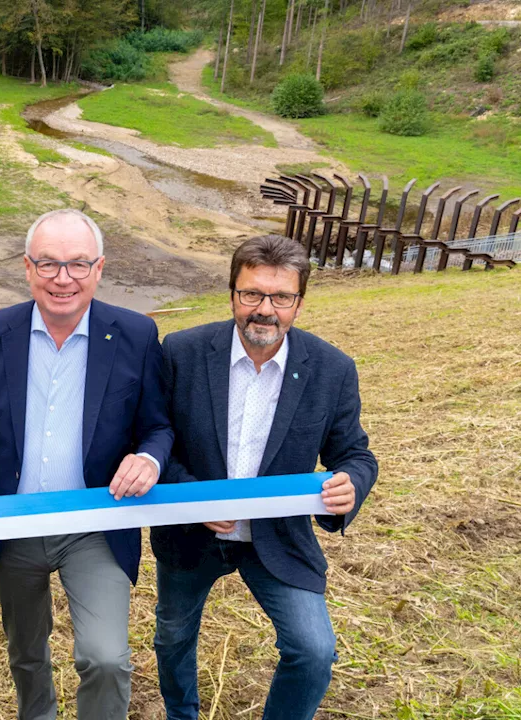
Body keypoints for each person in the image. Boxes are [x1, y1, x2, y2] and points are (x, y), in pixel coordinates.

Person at [0, 209, 173, 720]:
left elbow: (158, 425)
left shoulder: (137, 334)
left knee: (105, 657)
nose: (63, 278)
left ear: (99, 269)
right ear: (27, 269)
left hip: (94, 523)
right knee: (27, 652)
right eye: (48, 264)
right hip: (13, 521)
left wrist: (148, 457)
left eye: (77, 264)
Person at [151, 234, 379, 720]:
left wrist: (351, 484)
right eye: (251, 294)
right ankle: (181, 714)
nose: (264, 310)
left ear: (299, 301)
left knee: (314, 652)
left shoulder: (332, 369)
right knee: (172, 637)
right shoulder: (182, 352)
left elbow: (355, 454)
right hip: (191, 534)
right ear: (232, 292)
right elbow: (155, 439)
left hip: (277, 538)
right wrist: (194, 497)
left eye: (281, 298)